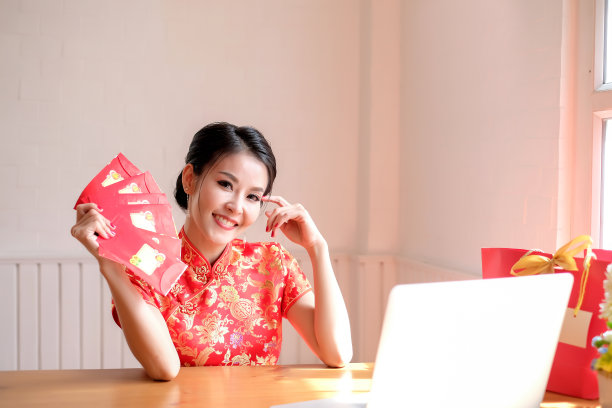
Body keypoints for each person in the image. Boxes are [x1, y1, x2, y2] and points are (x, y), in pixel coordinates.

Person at [70, 122, 353, 380]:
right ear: (190, 179)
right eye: (225, 184)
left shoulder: (273, 263)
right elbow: (164, 369)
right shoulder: (143, 269)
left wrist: (318, 248)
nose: (236, 206)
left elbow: (337, 354)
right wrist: (109, 264)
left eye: (253, 196)